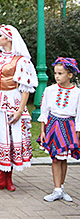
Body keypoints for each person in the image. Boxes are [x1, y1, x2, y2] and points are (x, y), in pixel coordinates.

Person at [0, 24, 38, 191]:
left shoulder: (21, 60)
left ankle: (7, 177)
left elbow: (25, 87)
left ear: (9, 38)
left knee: (12, 136)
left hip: (13, 99)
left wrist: (20, 111)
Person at [37, 57, 80, 202]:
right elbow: (44, 112)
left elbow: (79, 116)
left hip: (68, 126)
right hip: (53, 125)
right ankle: (56, 189)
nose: (57, 76)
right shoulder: (50, 90)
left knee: (63, 158)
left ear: (70, 75)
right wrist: (43, 131)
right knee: (56, 158)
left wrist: (77, 135)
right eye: (55, 73)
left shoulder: (77, 93)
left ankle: (61, 188)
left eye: (60, 73)